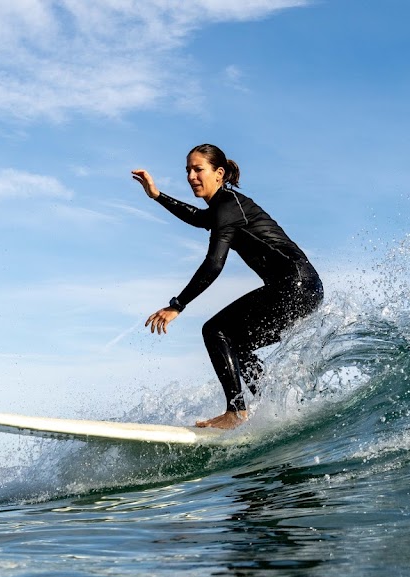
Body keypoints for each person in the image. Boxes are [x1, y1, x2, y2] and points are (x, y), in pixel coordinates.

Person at [132, 144, 323, 429]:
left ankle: (235, 413)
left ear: (219, 173)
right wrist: (157, 195)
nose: (191, 176)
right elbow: (197, 217)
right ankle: (277, 408)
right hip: (306, 288)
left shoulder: (227, 207)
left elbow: (214, 264)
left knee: (215, 330)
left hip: (294, 285)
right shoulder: (224, 207)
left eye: (198, 169)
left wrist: (177, 305)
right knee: (237, 345)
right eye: (188, 170)